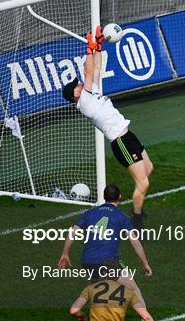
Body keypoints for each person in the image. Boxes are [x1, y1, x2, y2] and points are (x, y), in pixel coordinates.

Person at [62, 26, 151, 229]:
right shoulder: (84, 102)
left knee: (149, 169)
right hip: (120, 142)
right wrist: (89, 49)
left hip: (129, 135)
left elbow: (97, 69)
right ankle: (136, 221)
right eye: (76, 86)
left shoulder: (91, 93)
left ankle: (137, 206)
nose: (80, 84)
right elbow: (89, 70)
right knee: (143, 183)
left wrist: (99, 47)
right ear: (75, 95)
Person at [58, 184, 165, 321]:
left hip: (87, 260)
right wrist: (145, 263)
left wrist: (65, 254)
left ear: (104, 196)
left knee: (95, 291)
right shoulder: (120, 216)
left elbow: (72, 232)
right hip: (108, 261)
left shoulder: (90, 213)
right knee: (133, 289)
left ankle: (87, 317)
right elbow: (134, 242)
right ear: (120, 197)